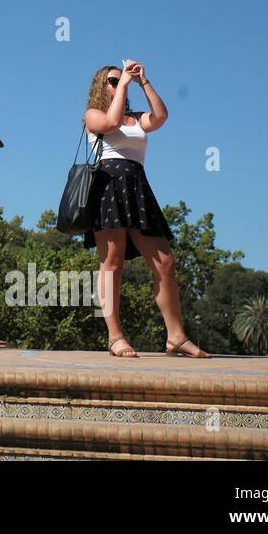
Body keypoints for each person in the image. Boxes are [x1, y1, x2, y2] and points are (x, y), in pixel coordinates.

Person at [83, 61, 208, 358]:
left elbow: (161, 116)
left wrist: (143, 82)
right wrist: (124, 85)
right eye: (113, 81)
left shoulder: (136, 118)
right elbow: (110, 125)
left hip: (137, 187)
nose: (118, 83)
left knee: (165, 261)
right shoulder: (93, 115)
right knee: (112, 263)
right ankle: (115, 336)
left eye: (119, 79)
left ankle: (176, 336)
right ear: (102, 85)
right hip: (107, 185)